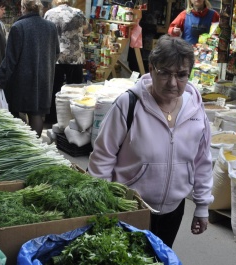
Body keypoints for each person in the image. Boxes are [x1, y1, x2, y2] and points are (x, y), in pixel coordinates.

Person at [87, 35, 213, 248]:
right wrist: (103, 205)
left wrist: (202, 206)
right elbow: (103, 156)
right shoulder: (129, 104)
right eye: (164, 73)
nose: (173, 83)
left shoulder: (196, 110)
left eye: (182, 75)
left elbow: (202, 161)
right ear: (152, 68)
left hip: (173, 210)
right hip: (128, 208)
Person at [0, 0, 60, 137]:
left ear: (24, 8)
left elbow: (10, 60)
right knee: (37, 113)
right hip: (44, 77)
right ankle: (34, 146)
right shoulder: (50, 27)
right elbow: (57, 52)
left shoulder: (18, 27)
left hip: (23, 80)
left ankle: (23, 144)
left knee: (16, 112)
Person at [43, 0, 91, 124]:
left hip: (56, 57)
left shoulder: (49, 13)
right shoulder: (78, 13)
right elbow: (88, 31)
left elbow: (46, 32)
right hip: (75, 57)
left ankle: (52, 118)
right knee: (75, 88)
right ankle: (74, 118)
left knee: (55, 88)